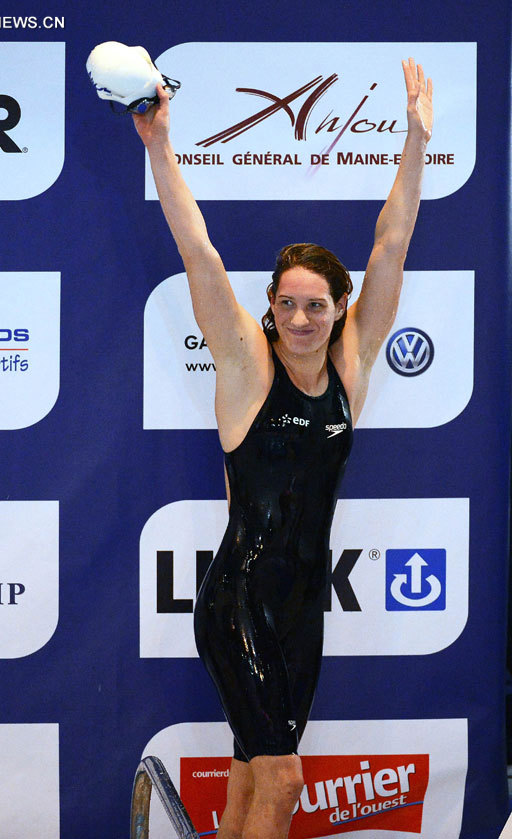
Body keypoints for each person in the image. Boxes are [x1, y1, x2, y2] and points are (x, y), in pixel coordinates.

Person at [133, 58, 433, 839]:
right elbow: (197, 250)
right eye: (287, 303)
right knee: (286, 778)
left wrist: (417, 139)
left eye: (316, 305)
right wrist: (160, 145)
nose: (300, 318)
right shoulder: (245, 365)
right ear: (269, 305)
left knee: (247, 775)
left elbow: (392, 240)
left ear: (340, 310)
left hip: (303, 610)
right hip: (235, 601)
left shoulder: (350, 367)